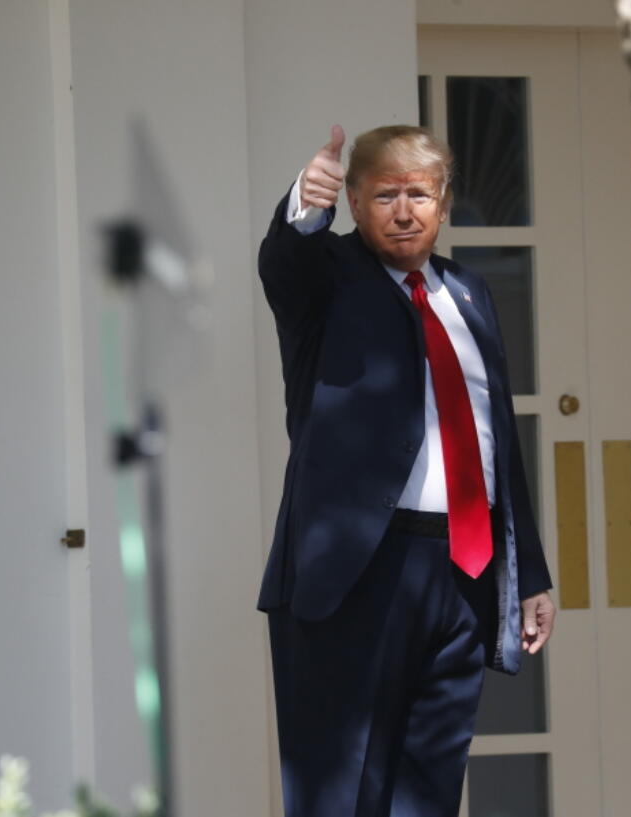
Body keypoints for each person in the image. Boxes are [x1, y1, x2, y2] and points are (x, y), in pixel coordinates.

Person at [256, 123, 556, 817]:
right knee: (342, 793)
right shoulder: (326, 280)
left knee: (429, 787)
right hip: (357, 572)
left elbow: (495, 441)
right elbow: (284, 264)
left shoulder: (470, 293)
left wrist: (530, 573)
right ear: (356, 204)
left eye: (418, 193)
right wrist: (306, 202)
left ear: (443, 203)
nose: (403, 209)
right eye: (384, 193)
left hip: (463, 571)